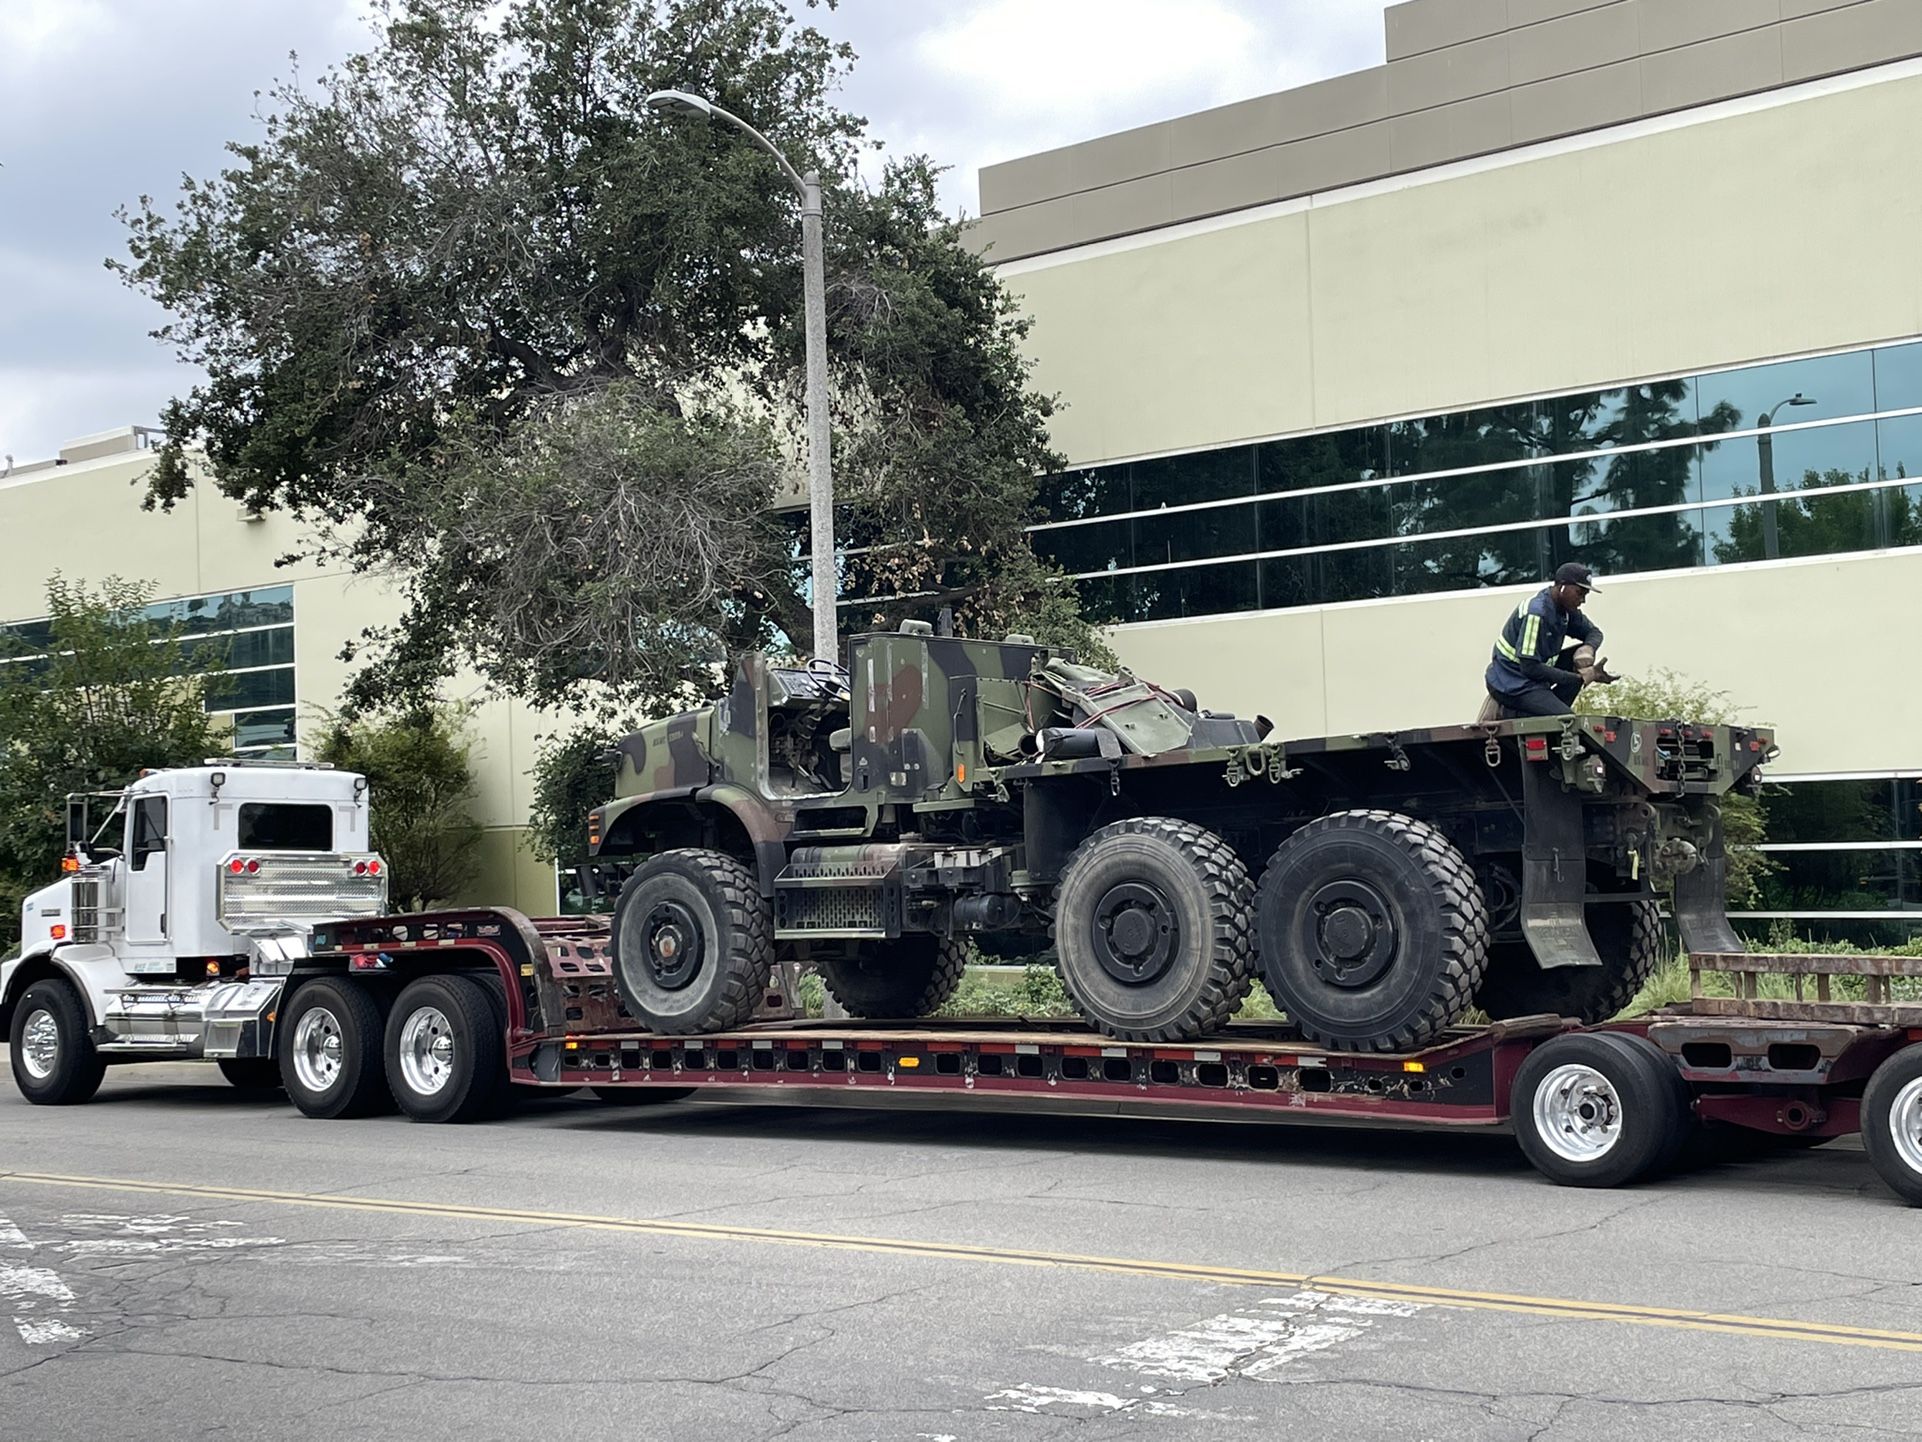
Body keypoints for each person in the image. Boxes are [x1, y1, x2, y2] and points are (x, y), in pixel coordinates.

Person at [1485, 562, 1614, 718]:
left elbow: (1594, 632)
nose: (1582, 600)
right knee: (1568, 720)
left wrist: (1588, 648)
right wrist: (1579, 677)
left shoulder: (1566, 611)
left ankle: (1540, 708)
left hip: (1532, 679)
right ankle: (1519, 711)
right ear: (1562, 587)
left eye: (1585, 595)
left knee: (1576, 662)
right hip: (1511, 682)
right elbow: (1529, 667)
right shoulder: (1536, 613)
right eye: (1579, 593)